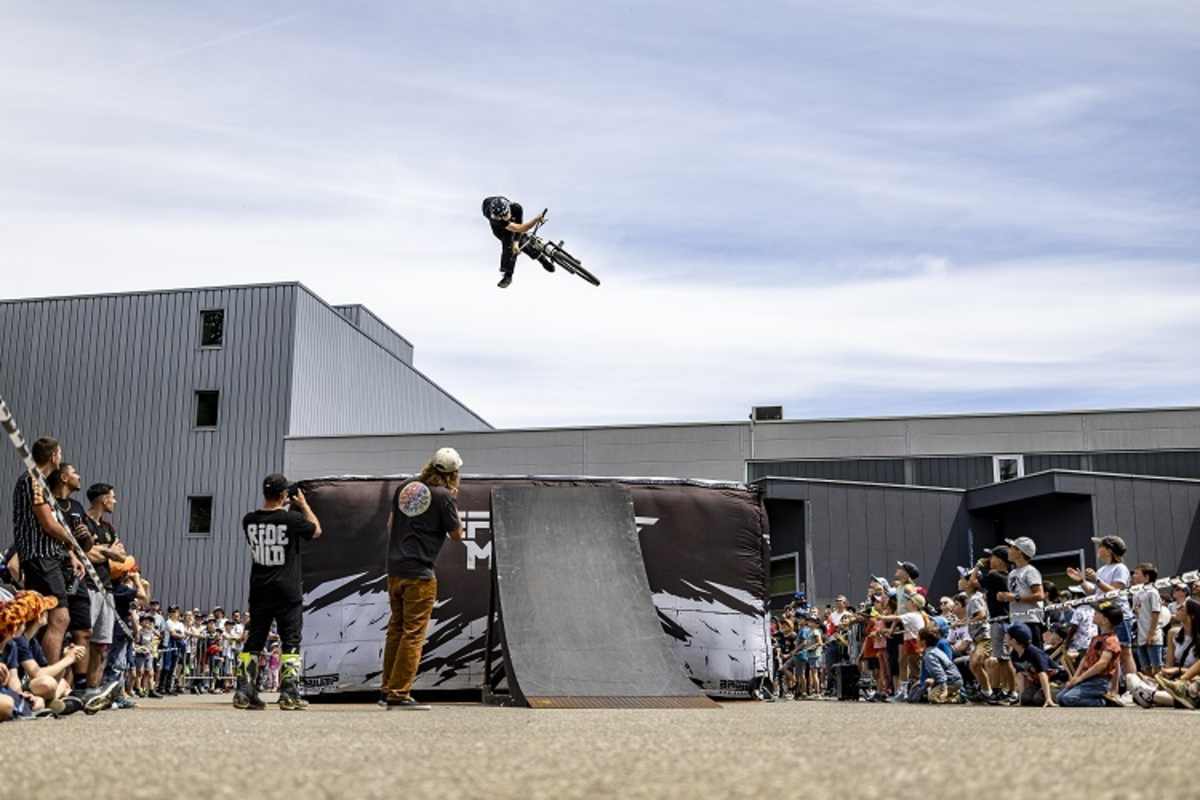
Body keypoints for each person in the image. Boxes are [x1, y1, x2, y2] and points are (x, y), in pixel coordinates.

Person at [381, 447, 464, 709]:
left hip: (395, 570)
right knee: (413, 634)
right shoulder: (444, 497)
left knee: (396, 629)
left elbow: (390, 525)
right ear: (453, 474)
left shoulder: (406, 487)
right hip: (420, 574)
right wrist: (451, 502)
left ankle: (386, 689)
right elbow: (457, 535)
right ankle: (399, 693)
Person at [235, 474, 322, 711]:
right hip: (287, 589)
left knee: (255, 639)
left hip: (260, 589)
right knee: (290, 640)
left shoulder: (249, 520)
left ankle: (244, 690)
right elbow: (316, 531)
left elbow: (269, 520)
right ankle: (289, 693)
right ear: (284, 495)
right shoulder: (292, 519)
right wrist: (303, 505)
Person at [10, 437, 82, 663]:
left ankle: (35, 670)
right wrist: (73, 542)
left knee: (40, 619)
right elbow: (49, 524)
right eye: (59, 454)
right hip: (41, 557)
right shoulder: (33, 480)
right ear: (53, 456)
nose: (61, 458)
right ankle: (50, 675)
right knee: (59, 618)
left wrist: (70, 553)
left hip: (49, 556)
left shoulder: (41, 483)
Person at [1069, 535, 1136, 694]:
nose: (1098, 549)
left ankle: (1133, 689)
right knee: (1112, 655)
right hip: (1104, 617)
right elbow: (1094, 591)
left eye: (1101, 546)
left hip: (1119, 615)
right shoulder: (1102, 569)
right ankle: (1115, 690)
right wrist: (1081, 581)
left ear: (1110, 550)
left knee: (1125, 652)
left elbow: (1114, 591)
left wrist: (1096, 580)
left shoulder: (1120, 568)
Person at [1058, 603, 1124, 707]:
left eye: (1097, 613)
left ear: (1105, 620)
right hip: (1086, 678)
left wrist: (1079, 679)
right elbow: (1085, 659)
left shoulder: (1111, 641)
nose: (1094, 614)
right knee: (1060, 698)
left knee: (1068, 699)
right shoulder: (1096, 638)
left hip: (1098, 681)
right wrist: (1075, 678)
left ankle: (1103, 701)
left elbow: (1101, 664)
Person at [481, 196, 555, 288]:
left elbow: (520, 226)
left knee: (520, 240)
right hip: (499, 229)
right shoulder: (496, 219)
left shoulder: (516, 208)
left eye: (505, 215)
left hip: (501, 207)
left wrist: (517, 241)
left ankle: (542, 259)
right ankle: (508, 275)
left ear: (509, 209)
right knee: (509, 244)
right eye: (500, 217)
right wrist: (536, 219)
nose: (504, 218)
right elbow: (520, 228)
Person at [999, 536, 1045, 648]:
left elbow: (1040, 595)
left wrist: (1015, 598)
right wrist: (1005, 597)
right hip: (1016, 620)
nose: (1008, 550)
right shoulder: (1012, 573)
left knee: (1035, 659)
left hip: (1030, 620)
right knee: (1019, 659)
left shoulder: (1030, 571)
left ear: (1019, 552)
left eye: (1011, 548)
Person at [1006, 623, 1068, 707]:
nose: (1005, 637)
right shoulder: (1014, 654)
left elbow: (1043, 675)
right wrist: (1020, 700)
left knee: (1038, 699)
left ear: (1014, 640)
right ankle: (1036, 695)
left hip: (1056, 680)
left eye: (1007, 635)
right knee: (1025, 699)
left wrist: (1048, 698)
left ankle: (1057, 694)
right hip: (1038, 683)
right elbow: (1020, 675)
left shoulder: (1034, 653)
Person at [1131, 563, 1166, 676]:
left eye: (1137, 573)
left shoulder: (1153, 592)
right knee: (1145, 669)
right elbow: (1137, 613)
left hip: (1152, 636)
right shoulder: (1136, 593)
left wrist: (1151, 634)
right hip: (1141, 637)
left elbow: (1155, 613)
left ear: (1146, 577)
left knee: (1157, 668)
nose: (1134, 576)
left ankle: (1161, 691)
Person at [919, 626, 962, 704]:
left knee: (932, 697)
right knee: (926, 694)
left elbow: (938, 671)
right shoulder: (935, 650)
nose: (917, 640)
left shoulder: (930, 654)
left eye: (918, 639)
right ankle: (953, 693)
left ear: (923, 641)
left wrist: (943, 688)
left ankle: (956, 698)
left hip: (951, 681)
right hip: (953, 679)